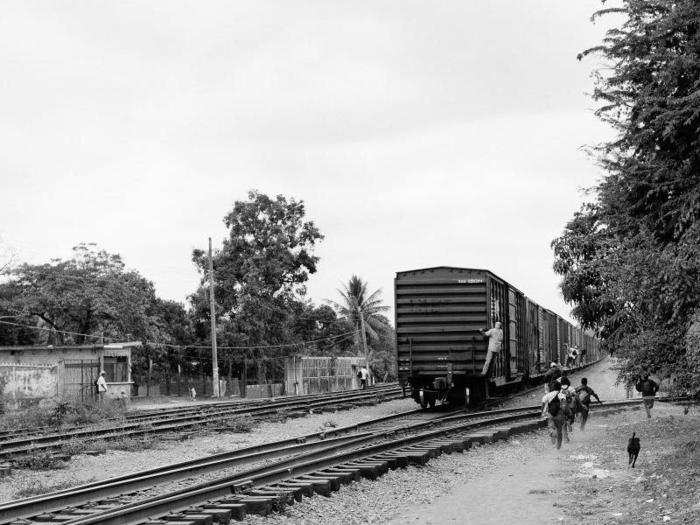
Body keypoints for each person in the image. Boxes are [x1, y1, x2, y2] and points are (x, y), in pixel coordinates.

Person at [542, 381, 568, 449]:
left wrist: (542, 413)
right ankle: (558, 448)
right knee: (559, 431)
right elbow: (564, 406)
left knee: (551, 427)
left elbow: (543, 406)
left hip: (550, 414)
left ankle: (553, 435)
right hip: (559, 414)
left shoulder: (547, 395)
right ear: (559, 387)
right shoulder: (562, 395)